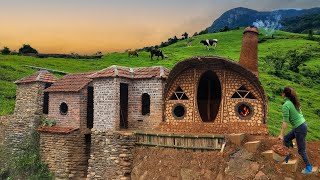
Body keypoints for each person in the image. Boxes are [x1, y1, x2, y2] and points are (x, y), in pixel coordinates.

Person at [278, 86, 312, 174]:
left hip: (299, 128)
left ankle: (309, 168)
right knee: (286, 139)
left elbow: (285, 121)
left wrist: (281, 134)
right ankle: (288, 156)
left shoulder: (286, 105)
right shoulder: (295, 102)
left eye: (282, 92)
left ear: (284, 94)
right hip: (302, 125)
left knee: (301, 150)